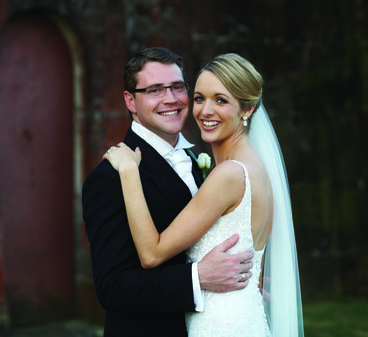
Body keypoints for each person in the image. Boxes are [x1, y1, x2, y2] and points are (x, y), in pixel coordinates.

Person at [105, 53, 305, 336]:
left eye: (221, 100)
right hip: (245, 317)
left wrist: (128, 173)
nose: (205, 111)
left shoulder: (229, 175)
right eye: (199, 98)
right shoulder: (256, 168)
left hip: (221, 325)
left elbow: (152, 254)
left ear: (247, 109)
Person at [82, 48, 254, 337]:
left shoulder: (200, 162)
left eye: (177, 86)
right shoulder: (111, 178)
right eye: (154, 90)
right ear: (130, 101)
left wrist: (242, 280)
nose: (171, 99)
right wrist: (197, 278)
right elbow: (112, 288)